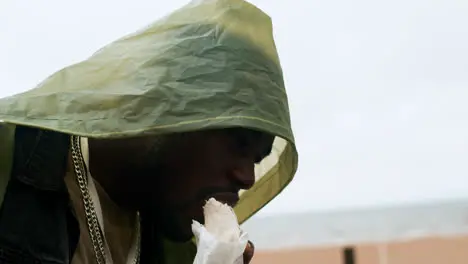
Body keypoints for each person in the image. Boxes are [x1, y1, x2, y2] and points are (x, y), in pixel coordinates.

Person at [0, 0, 298, 263]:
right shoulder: (9, 166)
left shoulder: (178, 245)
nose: (247, 177)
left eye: (257, 160)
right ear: (166, 109)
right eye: (239, 144)